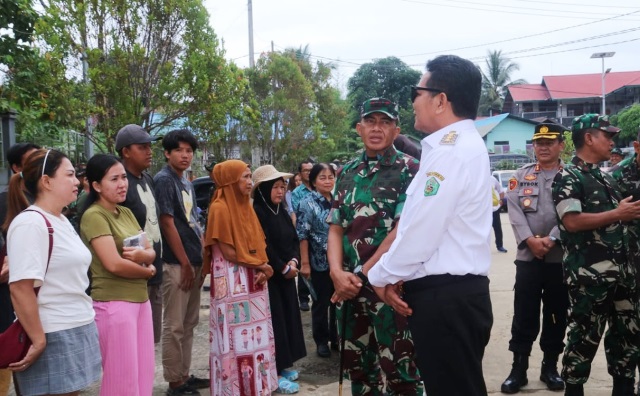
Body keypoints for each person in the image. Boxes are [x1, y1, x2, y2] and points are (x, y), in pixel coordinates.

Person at [367, 55, 493, 396]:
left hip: (447, 299)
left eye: (416, 92)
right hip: (451, 296)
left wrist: (380, 276)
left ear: (440, 100)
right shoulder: (455, 147)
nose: (414, 102)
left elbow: (421, 231)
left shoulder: (450, 152)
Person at [327, 97, 423, 395]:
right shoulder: (346, 171)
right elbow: (335, 226)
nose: (377, 128)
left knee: (401, 374)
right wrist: (335, 274)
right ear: (359, 128)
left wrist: (363, 272)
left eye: (385, 122)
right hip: (350, 289)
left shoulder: (412, 169)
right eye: (370, 121)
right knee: (359, 371)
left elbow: (402, 229)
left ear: (397, 129)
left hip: (392, 287)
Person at [552, 114, 640, 396]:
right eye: (607, 135)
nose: (612, 142)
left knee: (626, 342)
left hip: (623, 276)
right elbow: (572, 221)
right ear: (589, 138)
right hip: (590, 279)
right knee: (582, 341)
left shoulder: (606, 177)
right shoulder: (568, 176)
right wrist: (618, 213)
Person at [6, 149, 101, 395]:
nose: (77, 181)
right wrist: (38, 339)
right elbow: (20, 287)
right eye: (69, 175)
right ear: (46, 181)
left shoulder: (60, 220)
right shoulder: (31, 223)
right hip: (52, 330)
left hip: (76, 324)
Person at [79, 154, 156, 395]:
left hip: (141, 301)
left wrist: (146, 259)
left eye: (123, 177)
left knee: (144, 375)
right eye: (114, 179)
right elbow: (113, 264)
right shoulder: (94, 215)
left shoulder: (126, 213)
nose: (122, 183)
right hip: (114, 304)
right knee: (121, 380)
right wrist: (149, 270)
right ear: (96, 186)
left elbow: (150, 249)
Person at [500, 122, 569, 394]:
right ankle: (519, 370)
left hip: (559, 258)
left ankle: (550, 367)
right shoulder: (521, 174)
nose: (542, 147)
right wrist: (530, 240)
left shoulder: (571, 175)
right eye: (538, 142)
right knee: (524, 313)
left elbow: (572, 213)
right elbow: (514, 211)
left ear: (561, 145)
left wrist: (552, 238)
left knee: (556, 314)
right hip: (528, 258)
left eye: (549, 142)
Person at [203, 159, 277, 396]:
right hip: (232, 283)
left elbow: (255, 244)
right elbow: (228, 253)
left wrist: (261, 268)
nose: (249, 182)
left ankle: (257, 387)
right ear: (230, 181)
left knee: (256, 338)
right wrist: (263, 266)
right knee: (233, 338)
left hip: (252, 279)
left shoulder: (246, 205)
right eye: (244, 177)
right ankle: (232, 390)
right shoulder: (220, 208)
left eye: (249, 176)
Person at [153, 129, 207, 395]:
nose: (185, 155)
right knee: (174, 325)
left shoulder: (185, 181)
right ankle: (174, 382)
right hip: (176, 263)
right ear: (167, 153)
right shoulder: (164, 180)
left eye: (189, 151)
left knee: (189, 323)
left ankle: (184, 375)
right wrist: (185, 263)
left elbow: (193, 221)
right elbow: (167, 222)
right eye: (179, 150)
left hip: (193, 260)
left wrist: (202, 257)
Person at [253, 164, 307, 394]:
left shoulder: (281, 210)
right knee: (274, 323)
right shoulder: (257, 212)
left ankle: (284, 363)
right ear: (264, 189)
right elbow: (264, 245)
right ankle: (272, 372)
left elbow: (293, 239)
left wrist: (294, 261)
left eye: (282, 186)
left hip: (287, 273)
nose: (280, 191)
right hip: (271, 276)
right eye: (275, 187)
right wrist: (282, 266)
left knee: (288, 319)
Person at [115, 124, 164, 344]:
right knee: (132, 341)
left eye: (150, 146)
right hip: (132, 274)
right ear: (126, 151)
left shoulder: (148, 179)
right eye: (142, 147)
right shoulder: (119, 183)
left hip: (155, 269)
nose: (149, 151)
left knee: (150, 340)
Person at [0, 142, 39, 395]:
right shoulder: (5, 201)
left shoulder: (45, 200)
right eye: (32, 161)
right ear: (16, 168)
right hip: (8, 296)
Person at [296, 163, 338, 358]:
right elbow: (302, 235)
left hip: (339, 261)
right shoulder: (307, 202)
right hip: (318, 260)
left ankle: (337, 338)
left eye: (331, 176)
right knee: (321, 302)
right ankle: (321, 341)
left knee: (339, 301)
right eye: (323, 177)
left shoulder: (338, 200)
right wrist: (305, 263)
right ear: (313, 181)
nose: (328, 181)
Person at [610, 126, 640, 395]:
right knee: (624, 330)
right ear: (637, 146)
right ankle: (623, 383)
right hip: (627, 268)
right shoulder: (617, 177)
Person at [291, 161, 313, 311]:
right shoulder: (297, 193)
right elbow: (296, 215)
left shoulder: (320, 187)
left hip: (321, 235)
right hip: (304, 233)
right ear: (300, 173)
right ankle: (303, 298)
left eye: (311, 170)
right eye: (305, 170)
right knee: (304, 265)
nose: (309, 173)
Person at [492, 176, 508, 253]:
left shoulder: (492, 179)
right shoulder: (475, 179)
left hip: (494, 209)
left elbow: (501, 191)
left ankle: (500, 246)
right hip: (482, 210)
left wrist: (501, 200)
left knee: (497, 228)